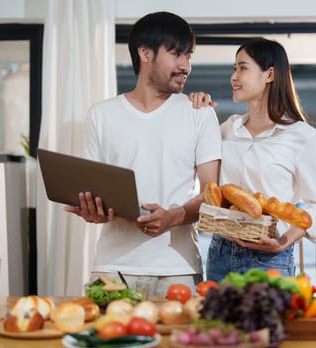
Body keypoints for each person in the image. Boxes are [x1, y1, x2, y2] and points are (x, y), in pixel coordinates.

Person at [64, 12, 222, 295]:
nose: (185, 65)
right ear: (145, 52)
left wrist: (173, 216)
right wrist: (93, 210)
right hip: (112, 268)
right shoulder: (102, 115)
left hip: (179, 270)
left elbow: (213, 196)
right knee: (100, 340)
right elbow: (93, 189)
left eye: (189, 56)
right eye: (177, 54)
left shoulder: (200, 114)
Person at [190, 38, 316, 282]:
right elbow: (205, 180)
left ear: (269, 74)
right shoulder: (227, 129)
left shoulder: (301, 136)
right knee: (216, 321)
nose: (234, 76)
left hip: (270, 259)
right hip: (221, 252)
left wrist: (282, 242)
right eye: (234, 69)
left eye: (242, 68)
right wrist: (197, 111)